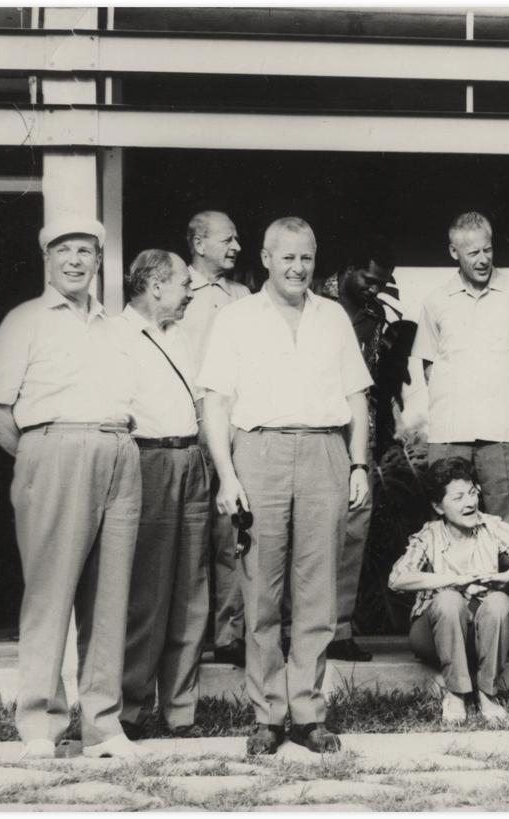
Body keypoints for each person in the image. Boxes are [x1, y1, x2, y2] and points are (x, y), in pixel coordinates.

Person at [198, 217, 372, 755]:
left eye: (307, 258)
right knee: (261, 588)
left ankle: (308, 713)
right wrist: (228, 474)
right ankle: (268, 715)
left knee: (318, 591)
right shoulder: (236, 318)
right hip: (260, 451)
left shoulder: (333, 318)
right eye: (288, 257)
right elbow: (215, 403)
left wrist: (358, 464)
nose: (298, 268)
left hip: (324, 450)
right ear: (267, 259)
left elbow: (358, 399)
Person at [0, 215, 146, 759]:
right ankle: (40, 725)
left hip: (120, 452)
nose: (76, 260)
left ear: (100, 261)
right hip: (54, 449)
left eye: (86, 251)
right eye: (64, 251)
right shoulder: (25, 321)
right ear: (46, 260)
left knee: (110, 598)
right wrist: (43, 456)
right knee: (50, 593)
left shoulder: (117, 326)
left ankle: (101, 726)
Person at [414, 211, 509, 660]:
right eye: (473, 252)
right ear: (454, 252)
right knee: (444, 529)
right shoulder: (435, 302)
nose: (483, 258)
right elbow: (430, 367)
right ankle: (449, 627)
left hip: (504, 431)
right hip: (450, 431)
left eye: (488, 249)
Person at [114, 249, 210, 740]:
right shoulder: (116, 336)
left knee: (191, 591)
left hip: (192, 460)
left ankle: (180, 711)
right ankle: (128, 710)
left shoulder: (185, 335)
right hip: (146, 461)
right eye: (183, 285)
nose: (191, 293)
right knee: (146, 591)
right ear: (154, 286)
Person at [388, 457, 509, 724]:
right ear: (438, 506)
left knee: (499, 602)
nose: (470, 503)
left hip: (481, 634)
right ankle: (456, 693)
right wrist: (450, 580)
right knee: (448, 600)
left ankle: (486, 694)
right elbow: (397, 578)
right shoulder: (430, 534)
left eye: (472, 493)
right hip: (435, 635)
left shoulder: (490, 526)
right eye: (458, 497)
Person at [314, 236, 411, 663]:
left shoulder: (374, 315)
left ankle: (338, 630)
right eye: (369, 281)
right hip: (314, 426)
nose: (374, 290)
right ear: (349, 269)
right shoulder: (312, 297)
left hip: (359, 430)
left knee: (354, 528)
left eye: (381, 284)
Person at [179, 210, 251, 669]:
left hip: (229, 425)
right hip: (184, 426)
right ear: (199, 243)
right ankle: (186, 638)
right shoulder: (174, 288)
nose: (237, 247)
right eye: (228, 239)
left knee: (230, 534)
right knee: (188, 536)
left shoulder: (243, 297)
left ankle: (229, 635)